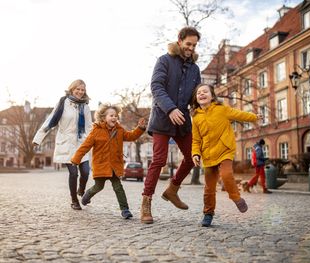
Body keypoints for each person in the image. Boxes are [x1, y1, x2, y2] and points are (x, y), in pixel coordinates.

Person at [141, 26, 202, 224]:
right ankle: (146, 204)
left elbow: (195, 97)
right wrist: (170, 108)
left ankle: (172, 189)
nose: (191, 48)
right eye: (188, 44)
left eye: (194, 45)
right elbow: (156, 87)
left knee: (193, 157)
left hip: (182, 120)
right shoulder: (164, 60)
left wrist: (205, 113)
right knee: (159, 160)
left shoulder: (195, 68)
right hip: (162, 117)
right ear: (179, 41)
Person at [191, 84, 260, 227]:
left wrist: (254, 117)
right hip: (208, 154)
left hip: (224, 150)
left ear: (212, 96)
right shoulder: (196, 117)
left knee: (226, 175)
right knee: (209, 188)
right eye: (199, 93)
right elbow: (196, 140)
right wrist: (195, 153)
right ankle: (208, 213)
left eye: (205, 92)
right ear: (196, 98)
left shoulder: (221, 109)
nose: (202, 94)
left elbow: (239, 114)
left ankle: (236, 198)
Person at [70, 103, 146, 219]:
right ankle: (87, 195)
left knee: (118, 187)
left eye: (116, 115)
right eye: (111, 115)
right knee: (98, 187)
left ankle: (125, 209)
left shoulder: (120, 130)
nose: (114, 118)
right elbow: (85, 147)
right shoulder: (96, 131)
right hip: (101, 165)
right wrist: (76, 160)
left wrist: (140, 128)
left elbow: (131, 136)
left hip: (115, 165)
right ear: (103, 117)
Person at [33, 79, 92, 210]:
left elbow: (89, 127)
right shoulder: (63, 103)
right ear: (72, 89)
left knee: (86, 172)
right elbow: (51, 120)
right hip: (66, 143)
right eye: (78, 89)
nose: (80, 92)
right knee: (73, 173)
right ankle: (74, 200)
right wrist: (38, 138)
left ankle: (81, 189)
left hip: (82, 143)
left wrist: (93, 142)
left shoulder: (86, 106)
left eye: (82, 90)